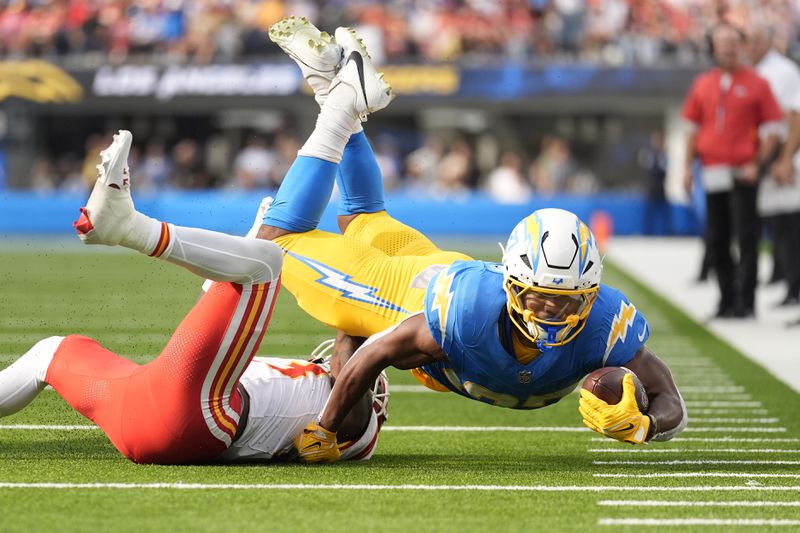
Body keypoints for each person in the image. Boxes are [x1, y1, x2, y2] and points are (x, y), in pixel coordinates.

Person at [257, 17, 687, 462]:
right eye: (539, 295)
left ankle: (333, 83)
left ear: (591, 294)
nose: (552, 309)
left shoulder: (603, 325)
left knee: (364, 216)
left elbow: (670, 398)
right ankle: (338, 96)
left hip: (434, 266)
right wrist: (325, 430)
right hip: (391, 292)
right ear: (512, 283)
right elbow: (376, 353)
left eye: (568, 299)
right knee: (277, 243)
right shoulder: (466, 314)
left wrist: (646, 424)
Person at [0, 131, 386, 464]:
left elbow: (349, 344)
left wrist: (370, 319)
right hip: (145, 405)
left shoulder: (354, 422)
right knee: (52, 352)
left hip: (197, 415)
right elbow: (215, 308)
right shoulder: (324, 399)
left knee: (266, 262)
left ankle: (131, 228)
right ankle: (137, 228)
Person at [682, 23, 783, 318]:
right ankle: (726, 298)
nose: (727, 48)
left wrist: (758, 163)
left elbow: (773, 128)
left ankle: (746, 301)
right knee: (717, 237)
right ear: (713, 48)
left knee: (747, 237)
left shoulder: (757, 83)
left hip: (743, 171)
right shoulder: (704, 83)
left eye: (732, 42)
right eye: (721, 42)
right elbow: (691, 128)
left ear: (741, 46)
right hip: (713, 170)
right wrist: (687, 167)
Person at [747, 23, 800, 307]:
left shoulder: (782, 71)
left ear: (769, 42)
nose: (751, 46)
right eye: (749, 41)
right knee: (779, 227)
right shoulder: (757, 71)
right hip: (771, 158)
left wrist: (785, 159)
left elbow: (794, 117)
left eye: (757, 40)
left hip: (785, 159)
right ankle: (789, 284)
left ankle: (795, 288)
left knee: (791, 227)